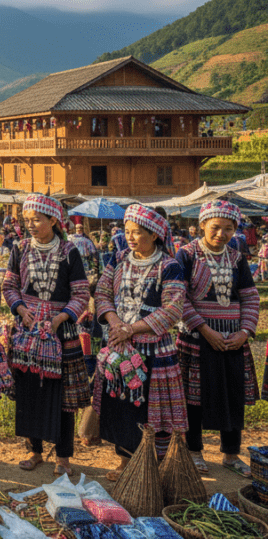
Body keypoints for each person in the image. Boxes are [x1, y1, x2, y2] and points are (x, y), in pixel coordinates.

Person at [93, 204, 187, 481]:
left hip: (154, 348)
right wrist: (114, 323)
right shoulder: (119, 259)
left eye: (137, 232)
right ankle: (124, 460)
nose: (130, 237)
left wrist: (131, 329)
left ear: (155, 235)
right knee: (121, 404)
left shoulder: (170, 266)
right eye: (127, 231)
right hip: (119, 344)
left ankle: (151, 464)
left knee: (151, 406)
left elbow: (172, 309)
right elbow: (101, 293)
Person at [3, 194, 90, 476]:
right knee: (30, 390)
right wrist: (20, 308)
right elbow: (9, 286)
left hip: (61, 332)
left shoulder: (69, 252)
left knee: (62, 395)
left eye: (36, 220)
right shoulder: (20, 249)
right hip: (27, 330)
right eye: (27, 220)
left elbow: (81, 293)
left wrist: (60, 317)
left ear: (53, 220)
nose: (30, 225)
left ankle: (63, 457)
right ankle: (34, 450)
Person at [176, 200, 258, 478]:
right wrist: (205, 329)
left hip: (233, 339)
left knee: (233, 394)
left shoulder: (236, 258)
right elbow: (179, 298)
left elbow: (249, 296)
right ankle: (195, 451)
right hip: (197, 338)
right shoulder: (186, 255)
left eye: (228, 229)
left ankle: (231, 454)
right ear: (201, 226)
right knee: (194, 397)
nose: (221, 234)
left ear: (235, 229)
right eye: (215, 228)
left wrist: (244, 332)